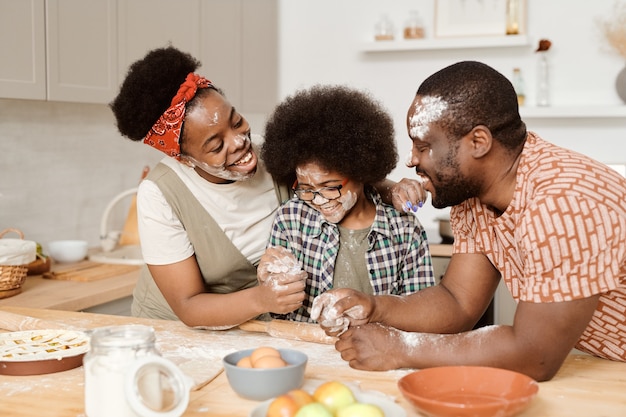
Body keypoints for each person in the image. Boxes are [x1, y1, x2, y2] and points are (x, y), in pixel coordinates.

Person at [312, 61, 626, 381]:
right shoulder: (473, 197)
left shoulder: (562, 202)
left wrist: (401, 348)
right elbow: (457, 302)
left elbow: (536, 357)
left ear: (478, 142)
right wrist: (375, 307)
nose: (411, 159)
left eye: (424, 146)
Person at [110, 46, 425, 329]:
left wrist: (388, 187)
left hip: (253, 325)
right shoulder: (160, 194)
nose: (240, 143)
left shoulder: (271, 155)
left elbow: (336, 173)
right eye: (216, 145)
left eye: (235, 122)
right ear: (186, 160)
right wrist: (262, 299)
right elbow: (190, 306)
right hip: (174, 330)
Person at [259, 85, 436, 325]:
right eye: (307, 190)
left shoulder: (404, 230)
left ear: (362, 171)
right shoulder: (291, 219)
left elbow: (421, 314)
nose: (319, 200)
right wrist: (271, 287)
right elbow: (280, 315)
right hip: (307, 348)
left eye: (330, 186)